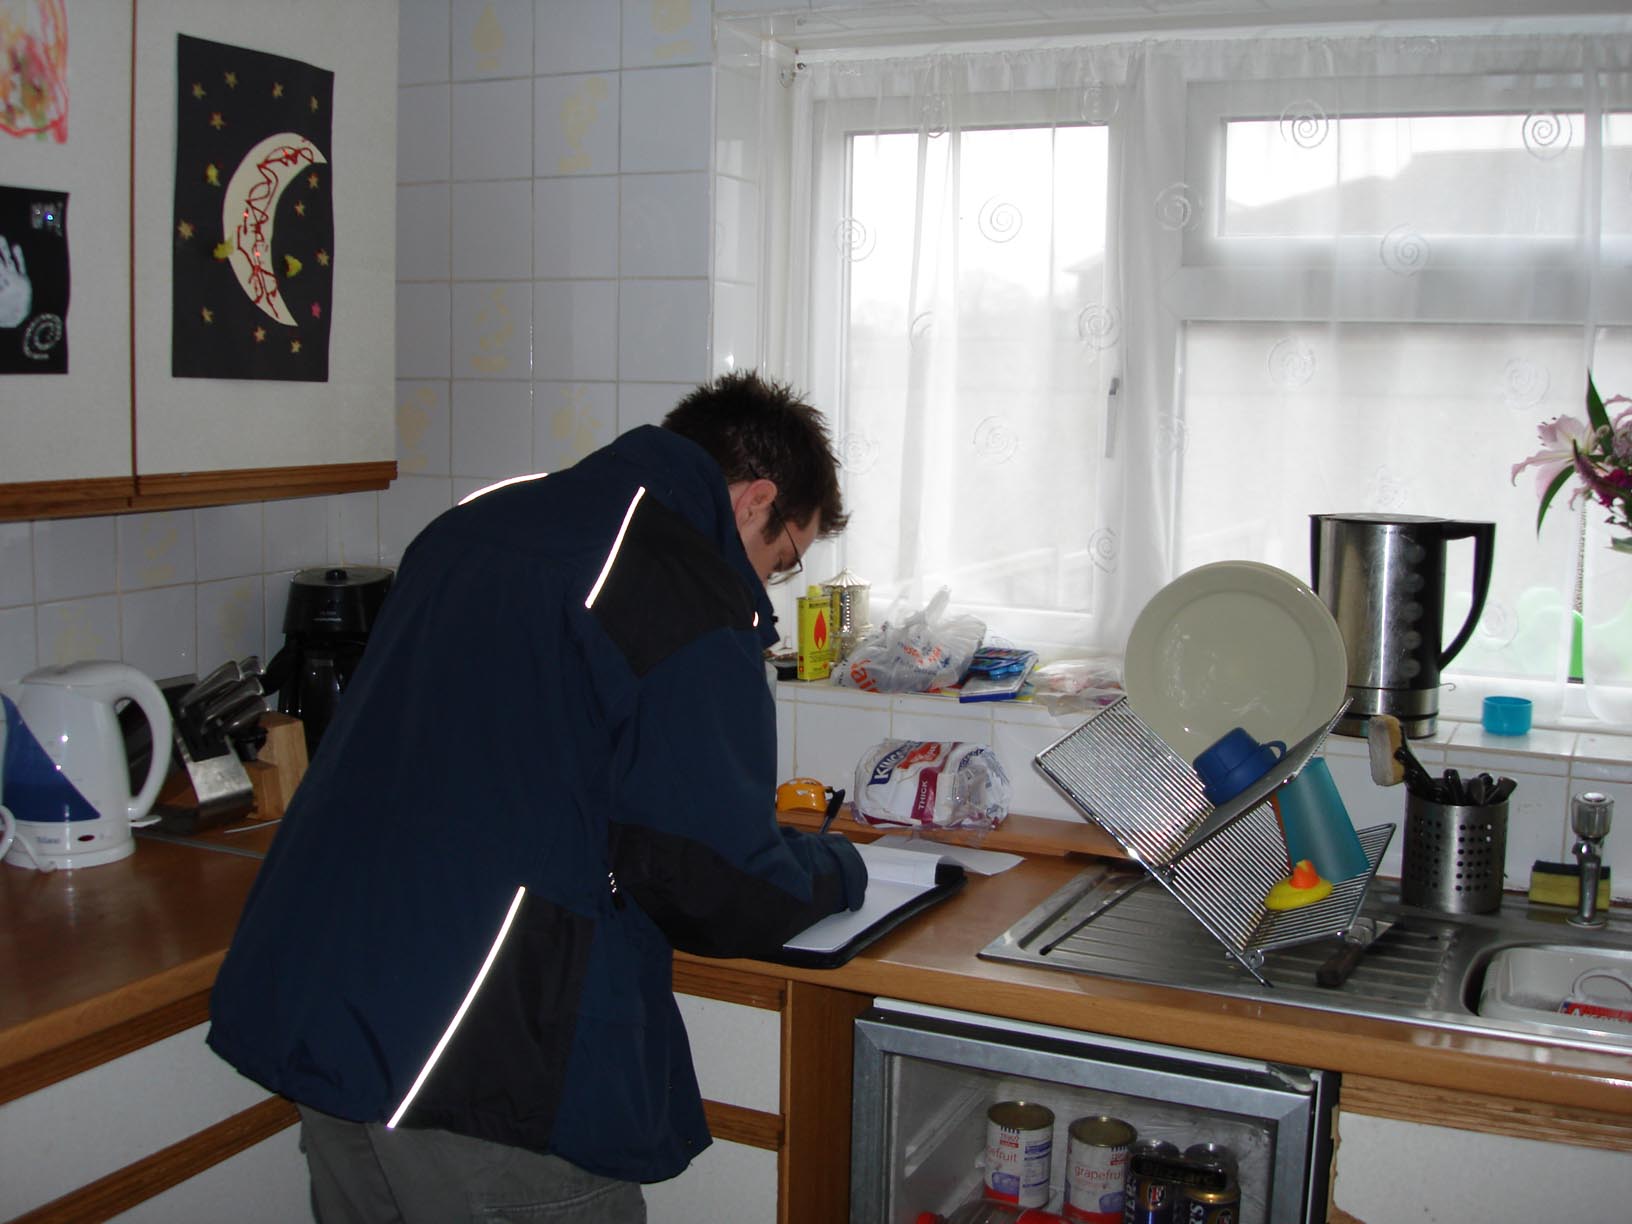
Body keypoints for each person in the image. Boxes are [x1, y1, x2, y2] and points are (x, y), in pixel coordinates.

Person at [208, 370, 868, 1223]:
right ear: (755, 501)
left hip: (328, 1002)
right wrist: (836, 869)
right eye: (783, 561)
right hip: (482, 1052)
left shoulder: (480, 522)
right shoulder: (684, 581)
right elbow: (710, 884)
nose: (767, 585)